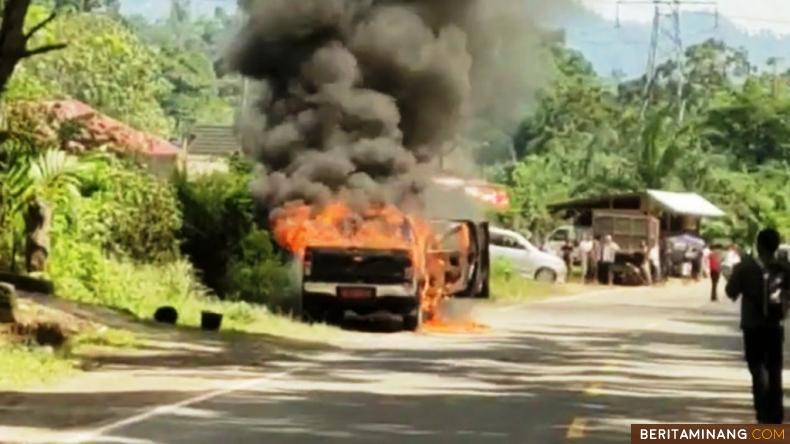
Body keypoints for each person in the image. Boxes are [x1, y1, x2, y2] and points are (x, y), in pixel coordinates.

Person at [727, 228, 790, 424]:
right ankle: (776, 414)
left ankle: (763, 414)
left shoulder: (745, 267)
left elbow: (731, 292)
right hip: (774, 325)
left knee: (757, 370)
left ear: (758, 245)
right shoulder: (784, 268)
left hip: (752, 326)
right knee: (774, 369)